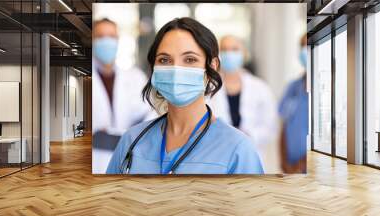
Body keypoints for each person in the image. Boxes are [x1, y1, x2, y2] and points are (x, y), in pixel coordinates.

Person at [106, 17, 264, 174]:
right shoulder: (132, 140)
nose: (176, 70)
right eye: (164, 60)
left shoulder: (238, 148)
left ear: (212, 67)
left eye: (190, 59)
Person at [92, 18, 151, 174]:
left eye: (111, 36)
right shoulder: (85, 76)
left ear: (118, 41)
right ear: (92, 40)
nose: (107, 41)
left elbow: (148, 115)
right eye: (100, 36)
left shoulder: (135, 77)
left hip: (128, 157)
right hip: (94, 159)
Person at [209, 35, 279, 158]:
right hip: (217, 154)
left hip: (251, 154)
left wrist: (250, 135)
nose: (229, 54)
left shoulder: (260, 88)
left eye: (234, 49)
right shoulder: (209, 88)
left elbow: (270, 126)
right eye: (224, 50)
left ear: (244, 53)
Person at [278, 34, 309, 173]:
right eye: (303, 46)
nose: (305, 50)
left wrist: (303, 164)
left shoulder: (329, 89)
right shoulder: (293, 87)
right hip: (290, 167)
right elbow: (284, 127)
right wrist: (284, 163)